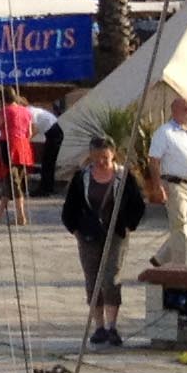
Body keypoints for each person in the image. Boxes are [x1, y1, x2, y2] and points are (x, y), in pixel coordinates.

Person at [61, 138, 149, 348]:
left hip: (116, 234)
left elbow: (138, 205)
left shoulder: (124, 177)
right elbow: (69, 207)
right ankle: (98, 327)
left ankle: (112, 327)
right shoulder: (81, 178)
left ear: (113, 155)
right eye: (97, 157)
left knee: (111, 277)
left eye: (105, 158)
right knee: (93, 279)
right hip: (89, 236)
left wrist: (128, 227)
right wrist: (76, 230)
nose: (101, 162)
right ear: (90, 156)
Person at [148, 95, 187, 267]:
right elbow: (153, 160)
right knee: (180, 226)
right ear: (175, 111)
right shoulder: (165, 133)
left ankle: (161, 258)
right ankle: (179, 268)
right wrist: (157, 185)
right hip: (175, 185)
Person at [0, 93, 37, 225]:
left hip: (10, 147)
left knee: (14, 183)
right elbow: (29, 132)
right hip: (24, 147)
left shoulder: (5, 111)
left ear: (2, 100)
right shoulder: (26, 111)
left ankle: (21, 216)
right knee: (12, 181)